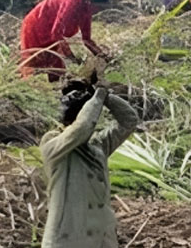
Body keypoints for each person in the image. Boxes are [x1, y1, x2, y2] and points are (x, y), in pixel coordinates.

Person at [39, 73, 139, 247]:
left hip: (102, 240)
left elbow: (129, 121)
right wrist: (98, 96)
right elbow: (82, 128)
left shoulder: (98, 146)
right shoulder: (54, 148)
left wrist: (107, 97)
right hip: (67, 240)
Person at [19, 0, 109, 81]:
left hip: (51, 34)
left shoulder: (86, 9)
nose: (99, 11)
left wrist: (103, 56)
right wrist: (71, 57)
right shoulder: (73, 1)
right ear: (90, 1)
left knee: (57, 74)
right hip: (35, 27)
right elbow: (56, 33)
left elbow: (86, 39)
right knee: (32, 66)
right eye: (99, 8)